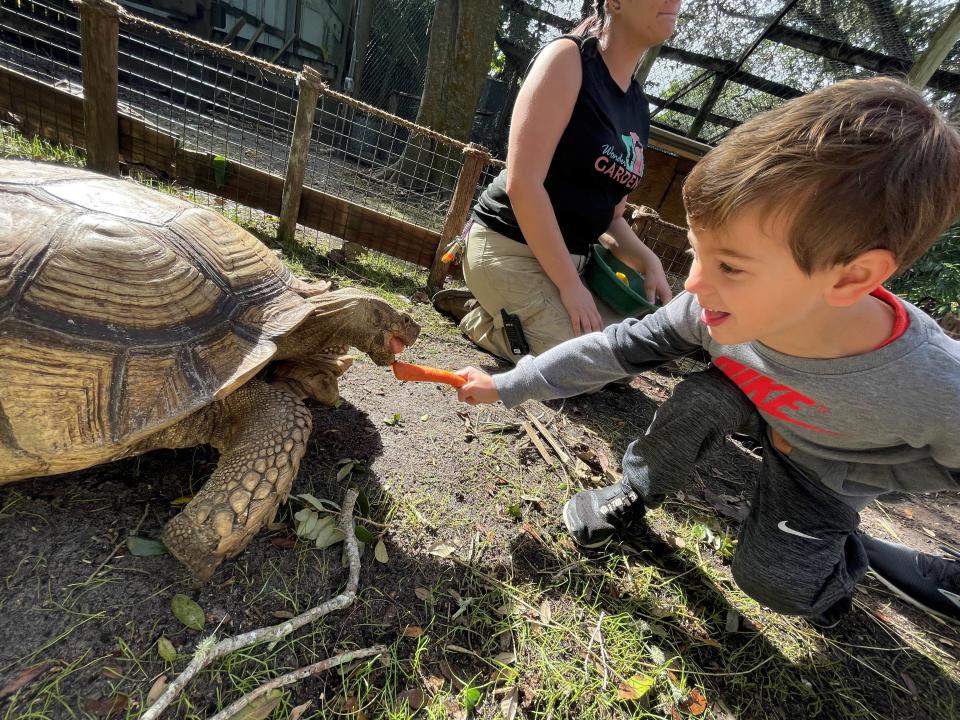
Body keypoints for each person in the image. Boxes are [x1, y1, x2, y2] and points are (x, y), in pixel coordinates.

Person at [452, 76, 960, 626]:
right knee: (700, 400)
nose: (693, 284)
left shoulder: (932, 383)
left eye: (730, 266)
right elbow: (612, 348)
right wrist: (510, 383)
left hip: (825, 464)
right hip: (757, 399)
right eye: (696, 253)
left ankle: (836, 575)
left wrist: (870, 474)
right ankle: (632, 493)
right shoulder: (709, 310)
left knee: (774, 584)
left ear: (851, 278)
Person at [432, 0, 678, 362]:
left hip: (572, 267)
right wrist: (569, 285)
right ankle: (481, 318)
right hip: (508, 247)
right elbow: (523, 183)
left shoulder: (638, 107)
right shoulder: (567, 59)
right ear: (616, 3)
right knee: (581, 364)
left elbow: (611, 218)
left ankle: (509, 314)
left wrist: (647, 259)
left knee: (624, 357)